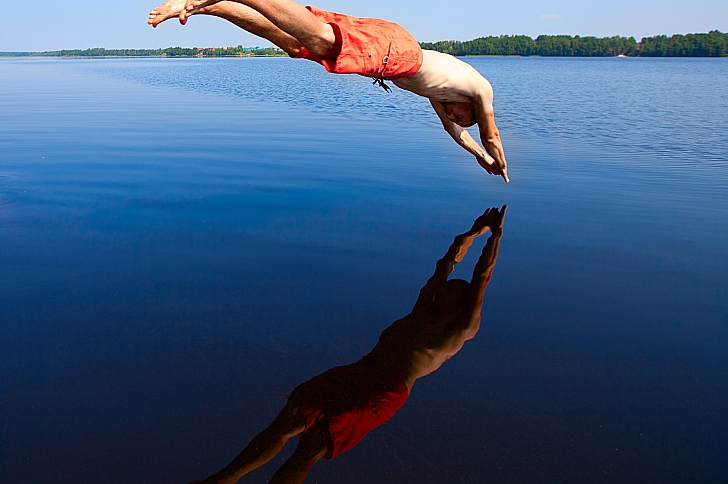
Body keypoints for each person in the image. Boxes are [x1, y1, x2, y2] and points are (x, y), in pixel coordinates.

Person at [190, 205, 507, 484]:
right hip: (360, 369)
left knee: (312, 444)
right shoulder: (425, 308)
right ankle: (222, 481)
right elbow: (445, 264)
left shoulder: (462, 327)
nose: (444, 289)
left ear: (459, 302)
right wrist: (473, 231)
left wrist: (495, 237)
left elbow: (481, 278)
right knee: (290, 419)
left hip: (384, 390)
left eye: (451, 290)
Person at [149, 0, 508, 181]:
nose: (455, 118)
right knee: (322, 41)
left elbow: (455, 134)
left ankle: (208, 2)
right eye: (463, 117)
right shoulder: (480, 90)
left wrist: (477, 156)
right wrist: (499, 164)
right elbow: (490, 135)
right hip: (396, 53)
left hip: (392, 48)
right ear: (470, 108)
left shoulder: (441, 95)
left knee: (294, 45)